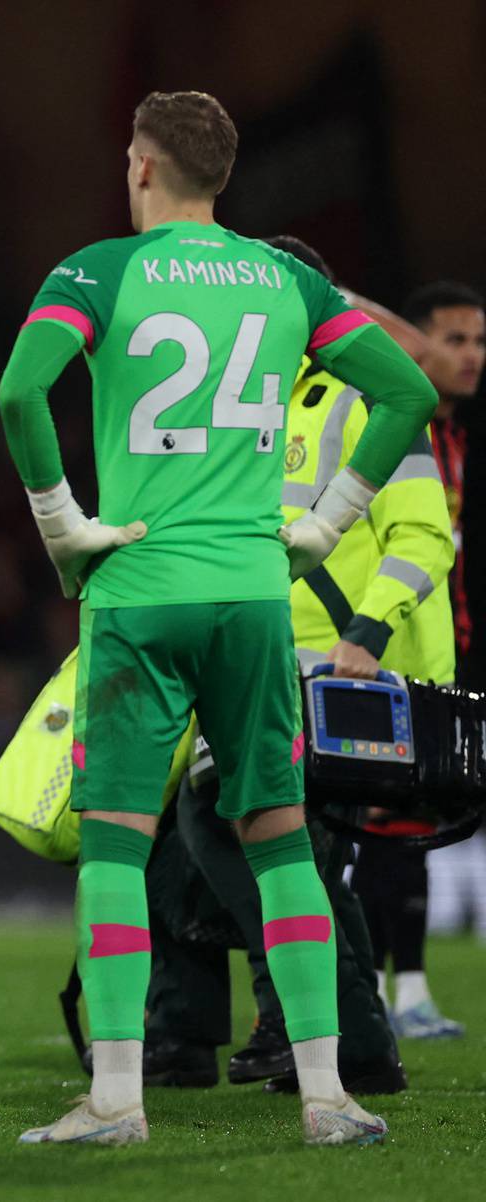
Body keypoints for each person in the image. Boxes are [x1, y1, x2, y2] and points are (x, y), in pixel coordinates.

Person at [0, 91, 436, 1146]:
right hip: (251, 595)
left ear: (140, 165)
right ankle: (328, 1094)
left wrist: (65, 526)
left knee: (114, 839)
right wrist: (325, 523)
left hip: (140, 589)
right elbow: (409, 391)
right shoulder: (289, 277)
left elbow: (21, 394)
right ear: (224, 175)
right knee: (281, 837)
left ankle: (116, 1098)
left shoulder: (97, 271)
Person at [141, 235, 437, 1095]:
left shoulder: (363, 400)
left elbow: (424, 533)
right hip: (240, 659)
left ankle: (315, 1026)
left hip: (336, 676)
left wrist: (368, 638)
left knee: (233, 828)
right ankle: (199, 1036)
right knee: (213, 843)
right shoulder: (237, 407)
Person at [350, 280, 484, 1042]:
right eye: (454, 339)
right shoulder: (389, 425)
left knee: (413, 819)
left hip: (434, 649)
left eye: (477, 341)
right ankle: (373, 990)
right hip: (382, 648)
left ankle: (409, 991)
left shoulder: (450, 435)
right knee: (379, 819)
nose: (468, 356)